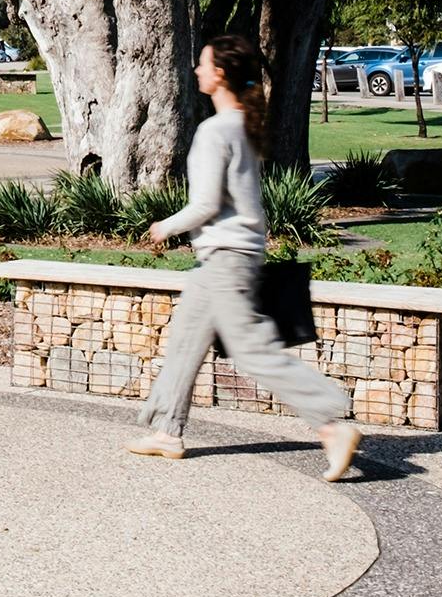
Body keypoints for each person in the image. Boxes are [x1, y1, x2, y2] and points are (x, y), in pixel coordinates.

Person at [129, 34, 361, 482]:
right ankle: (165, 431)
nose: (196, 71)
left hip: (226, 257)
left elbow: (205, 205)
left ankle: (331, 423)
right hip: (226, 257)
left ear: (219, 74)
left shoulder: (216, 130)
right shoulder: (240, 124)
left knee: (251, 350)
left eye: (202, 65)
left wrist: (164, 227)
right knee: (184, 341)